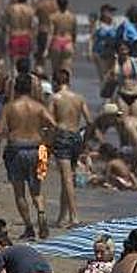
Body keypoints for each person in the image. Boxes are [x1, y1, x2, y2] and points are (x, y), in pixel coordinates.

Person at [0, 72, 55, 240]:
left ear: (16, 88)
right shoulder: (39, 107)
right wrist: (47, 144)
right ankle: (41, 212)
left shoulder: (10, 107)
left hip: (16, 149)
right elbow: (53, 125)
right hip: (38, 149)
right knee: (36, 190)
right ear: (30, 88)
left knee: (20, 192)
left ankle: (29, 227)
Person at [49, 69, 89, 228]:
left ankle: (74, 216)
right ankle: (61, 217)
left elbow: (50, 122)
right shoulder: (79, 98)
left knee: (67, 179)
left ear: (55, 83)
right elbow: (89, 120)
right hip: (76, 136)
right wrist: (85, 140)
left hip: (63, 136)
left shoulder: (55, 98)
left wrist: (48, 142)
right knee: (67, 179)